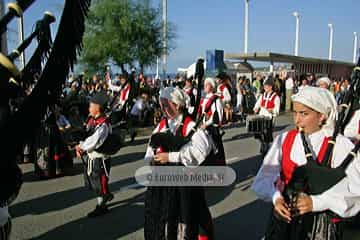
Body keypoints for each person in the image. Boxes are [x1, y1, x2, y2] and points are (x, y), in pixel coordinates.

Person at [251, 86, 360, 239]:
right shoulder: (284, 139)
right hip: (284, 221)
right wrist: (276, 197)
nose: (297, 120)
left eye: (304, 114)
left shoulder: (339, 145)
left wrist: (316, 202)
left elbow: (356, 191)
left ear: (321, 116)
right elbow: (262, 180)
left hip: (319, 226)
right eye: (294, 113)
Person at [144, 87, 216, 240]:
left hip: (185, 183)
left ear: (176, 105)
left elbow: (200, 151)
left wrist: (170, 157)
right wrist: (151, 160)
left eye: (165, 105)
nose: (162, 109)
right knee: (165, 217)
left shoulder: (189, 125)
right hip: (165, 184)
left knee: (187, 216)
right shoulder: (163, 124)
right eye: (161, 105)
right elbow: (151, 147)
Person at [75, 92, 114, 217]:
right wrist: (80, 144)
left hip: (100, 160)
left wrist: (81, 147)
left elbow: (94, 141)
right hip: (93, 158)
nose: (89, 108)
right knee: (94, 181)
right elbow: (87, 136)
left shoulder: (103, 124)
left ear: (97, 107)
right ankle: (106, 196)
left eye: (91, 106)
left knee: (99, 183)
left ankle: (101, 205)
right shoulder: (93, 120)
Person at [198, 77, 226, 166]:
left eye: (208, 84)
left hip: (212, 129)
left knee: (216, 152)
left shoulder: (216, 99)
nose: (205, 86)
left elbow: (217, 116)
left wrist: (206, 124)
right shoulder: (204, 98)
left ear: (212, 87)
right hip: (204, 128)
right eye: (205, 84)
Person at [253, 77, 280, 156]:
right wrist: (255, 108)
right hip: (261, 116)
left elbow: (277, 110)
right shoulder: (263, 95)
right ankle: (264, 145)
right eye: (264, 86)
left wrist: (272, 110)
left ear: (270, 86)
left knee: (267, 134)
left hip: (269, 118)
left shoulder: (276, 97)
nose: (264, 87)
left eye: (266, 86)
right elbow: (258, 103)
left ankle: (266, 148)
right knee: (259, 133)